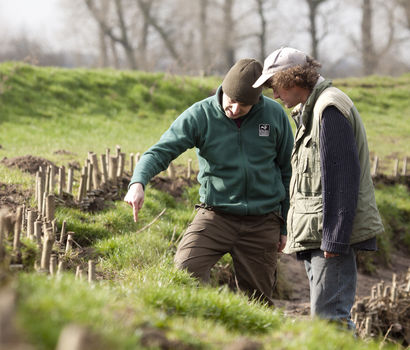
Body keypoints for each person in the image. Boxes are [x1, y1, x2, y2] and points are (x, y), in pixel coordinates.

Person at [124, 58, 294, 306]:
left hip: (263, 221)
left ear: (257, 100)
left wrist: (284, 226)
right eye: (231, 101)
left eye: (244, 105)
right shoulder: (200, 115)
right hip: (216, 216)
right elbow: (159, 152)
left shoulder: (275, 115)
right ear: (223, 89)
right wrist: (137, 183)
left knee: (258, 302)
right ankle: (201, 328)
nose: (235, 109)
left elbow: (288, 171)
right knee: (184, 270)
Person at [253, 47, 384, 328]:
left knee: (331, 321)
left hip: (330, 237)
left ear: (292, 79)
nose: (274, 95)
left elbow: (342, 178)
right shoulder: (313, 109)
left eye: (274, 86)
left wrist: (335, 239)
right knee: (326, 319)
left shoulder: (329, 109)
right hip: (319, 233)